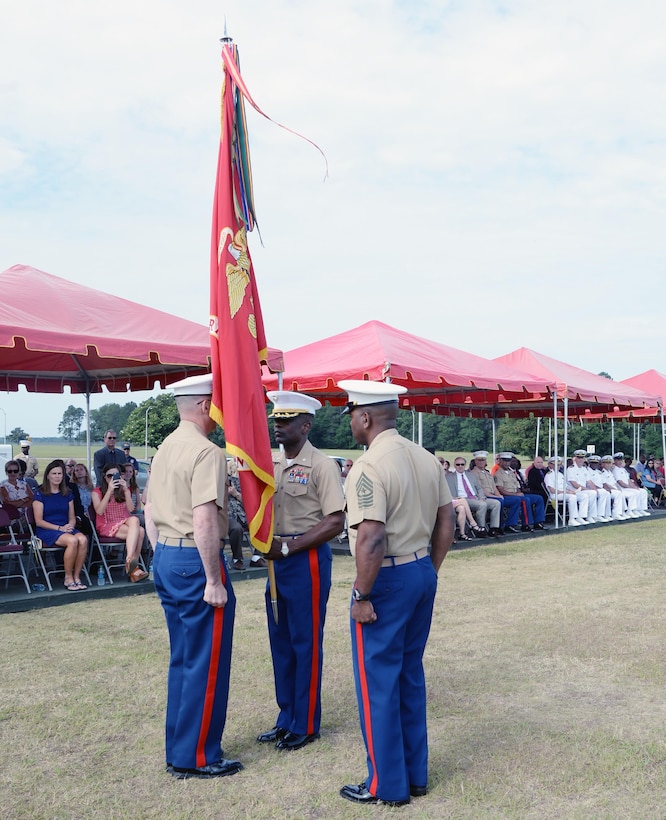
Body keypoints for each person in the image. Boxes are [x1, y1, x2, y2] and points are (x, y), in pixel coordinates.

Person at [337, 380, 454, 807]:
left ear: (365, 417)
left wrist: (361, 596)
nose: (351, 421)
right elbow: (447, 523)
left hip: (385, 580)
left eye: (351, 413)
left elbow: (370, 538)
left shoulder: (369, 466)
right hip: (420, 569)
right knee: (408, 675)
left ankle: (385, 784)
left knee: (378, 684)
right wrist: (427, 569)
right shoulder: (425, 458)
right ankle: (415, 774)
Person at [144, 373, 243, 780]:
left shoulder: (166, 446)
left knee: (184, 659)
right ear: (205, 406)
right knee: (205, 661)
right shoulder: (207, 452)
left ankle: (180, 748)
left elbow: (149, 507)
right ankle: (198, 755)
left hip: (168, 552)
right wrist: (214, 579)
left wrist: (158, 554)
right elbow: (205, 519)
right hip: (193, 558)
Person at [257, 391, 345, 752]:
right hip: (276, 560)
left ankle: (305, 723)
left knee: (304, 642)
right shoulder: (270, 464)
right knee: (281, 642)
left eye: (287, 420)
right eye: (276, 419)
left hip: (304, 557)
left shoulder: (322, 465)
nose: (278, 425)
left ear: (306, 425)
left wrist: (291, 546)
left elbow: (336, 520)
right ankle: (286, 716)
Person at [32, 459, 88, 591]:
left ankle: (76, 577)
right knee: (73, 541)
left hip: (65, 527)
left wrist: (70, 526)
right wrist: (60, 528)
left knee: (83, 539)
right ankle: (68, 577)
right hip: (47, 529)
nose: (57, 476)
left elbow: (72, 517)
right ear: (48, 475)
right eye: (54, 473)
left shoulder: (67, 493)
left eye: (60, 474)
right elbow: (39, 521)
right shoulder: (40, 494)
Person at [92, 466, 148, 582]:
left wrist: (126, 491)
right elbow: (99, 511)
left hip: (124, 521)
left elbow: (131, 509)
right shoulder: (97, 491)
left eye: (116, 476)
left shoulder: (123, 490)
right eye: (109, 476)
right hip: (107, 524)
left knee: (135, 521)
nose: (113, 478)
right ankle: (133, 568)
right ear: (104, 477)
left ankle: (129, 561)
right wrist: (109, 491)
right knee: (140, 532)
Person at [469, 450, 519, 534]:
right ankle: (498, 526)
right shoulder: (473, 473)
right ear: (475, 461)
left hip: (492, 496)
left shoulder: (487, 473)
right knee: (499, 502)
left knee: (507, 500)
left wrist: (499, 495)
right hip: (482, 497)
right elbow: (480, 489)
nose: (481, 462)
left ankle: (506, 525)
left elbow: (494, 488)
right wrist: (496, 497)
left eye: (483, 460)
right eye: (479, 460)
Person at [494, 452, 546, 531]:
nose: (507, 463)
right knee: (525, 500)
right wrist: (515, 494)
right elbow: (500, 489)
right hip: (507, 496)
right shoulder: (498, 474)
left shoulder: (511, 473)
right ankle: (525, 524)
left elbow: (517, 486)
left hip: (516, 494)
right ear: (500, 461)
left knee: (538, 498)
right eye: (505, 461)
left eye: (508, 461)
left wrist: (519, 492)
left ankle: (538, 522)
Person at [446, 457, 488, 537]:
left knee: (496, 503)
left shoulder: (471, 475)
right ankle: (481, 528)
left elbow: (479, 488)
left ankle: (495, 528)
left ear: (465, 465)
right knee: (482, 505)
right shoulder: (449, 477)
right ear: (454, 466)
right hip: (461, 499)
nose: (460, 466)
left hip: (475, 497)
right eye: (458, 464)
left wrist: (481, 497)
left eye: (462, 464)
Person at [544, 457, 584, 525]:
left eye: (559, 464)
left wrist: (571, 491)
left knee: (583, 496)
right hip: (555, 495)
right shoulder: (549, 475)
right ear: (550, 465)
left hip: (563, 493)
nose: (558, 466)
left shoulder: (560, 474)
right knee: (572, 497)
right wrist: (567, 492)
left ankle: (580, 517)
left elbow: (565, 487)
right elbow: (552, 490)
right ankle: (572, 519)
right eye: (555, 464)